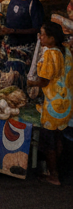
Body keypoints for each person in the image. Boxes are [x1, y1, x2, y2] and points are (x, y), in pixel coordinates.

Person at [29, 22, 72, 185]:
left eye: (43, 35)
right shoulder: (66, 50)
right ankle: (57, 170)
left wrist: (30, 83)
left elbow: (44, 81)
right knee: (58, 136)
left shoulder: (50, 54)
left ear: (52, 38)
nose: (40, 37)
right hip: (66, 103)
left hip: (53, 105)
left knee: (49, 141)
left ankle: (53, 175)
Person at [0, 0, 45, 84]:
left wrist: (14, 31)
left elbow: (36, 29)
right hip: (9, 42)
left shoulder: (34, 4)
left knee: (17, 75)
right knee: (3, 72)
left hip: (24, 46)